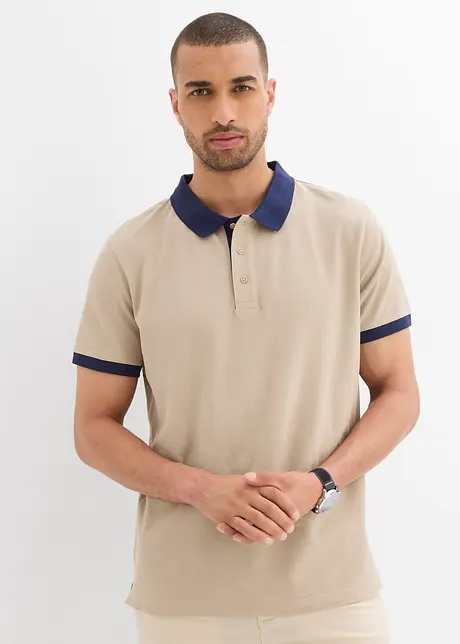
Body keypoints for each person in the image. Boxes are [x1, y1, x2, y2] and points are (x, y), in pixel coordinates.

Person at [71, 11, 420, 644]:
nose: (223, 112)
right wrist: (200, 490)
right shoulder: (130, 253)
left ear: (271, 93)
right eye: (201, 92)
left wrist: (319, 484)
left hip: (333, 597)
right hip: (184, 605)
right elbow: (93, 428)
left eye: (241, 87)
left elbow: (399, 392)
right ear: (175, 105)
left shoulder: (350, 231)